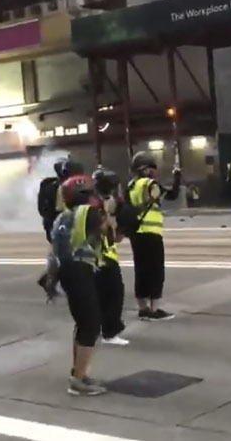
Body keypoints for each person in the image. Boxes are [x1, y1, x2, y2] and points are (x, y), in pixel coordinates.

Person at [50, 175, 107, 396]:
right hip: (81, 270)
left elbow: (54, 250)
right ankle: (78, 380)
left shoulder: (62, 217)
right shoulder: (88, 213)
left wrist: (51, 278)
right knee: (91, 326)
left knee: (83, 324)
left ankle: (78, 372)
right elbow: (106, 229)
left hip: (67, 272)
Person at [127, 151, 181, 321]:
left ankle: (143, 309)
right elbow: (172, 195)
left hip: (136, 234)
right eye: (152, 168)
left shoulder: (130, 186)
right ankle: (155, 309)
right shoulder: (151, 184)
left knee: (141, 271)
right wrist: (177, 177)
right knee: (156, 271)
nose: (154, 171)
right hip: (151, 234)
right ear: (146, 169)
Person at [36, 158, 84, 300]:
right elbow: (62, 209)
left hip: (55, 224)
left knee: (59, 254)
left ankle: (49, 278)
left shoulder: (57, 186)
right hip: (59, 225)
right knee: (64, 255)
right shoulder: (61, 188)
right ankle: (52, 280)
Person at [93, 167, 129, 346]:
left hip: (101, 256)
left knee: (103, 295)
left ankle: (103, 329)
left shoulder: (97, 203)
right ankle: (110, 332)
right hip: (103, 257)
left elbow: (116, 238)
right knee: (114, 294)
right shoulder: (99, 206)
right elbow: (106, 232)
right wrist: (111, 214)